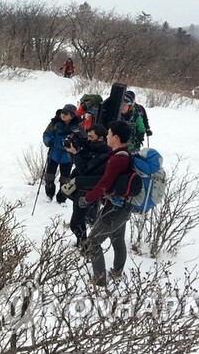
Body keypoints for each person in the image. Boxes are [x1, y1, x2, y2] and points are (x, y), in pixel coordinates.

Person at [78, 120, 135, 286]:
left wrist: (87, 199)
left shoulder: (119, 158)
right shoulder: (124, 154)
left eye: (109, 134)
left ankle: (100, 281)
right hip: (122, 205)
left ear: (115, 137)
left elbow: (105, 183)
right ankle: (117, 272)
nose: (107, 137)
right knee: (117, 240)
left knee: (93, 242)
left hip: (116, 208)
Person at [61, 125, 111, 251]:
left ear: (100, 138)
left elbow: (84, 169)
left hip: (87, 190)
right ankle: (82, 243)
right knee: (78, 220)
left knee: (76, 223)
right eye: (87, 136)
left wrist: (76, 153)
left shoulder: (104, 153)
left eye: (91, 137)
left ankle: (85, 245)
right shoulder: (91, 147)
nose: (88, 139)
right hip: (82, 187)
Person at [42, 103, 81, 200]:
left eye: (66, 113)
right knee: (49, 177)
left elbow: (82, 140)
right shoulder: (55, 123)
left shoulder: (77, 127)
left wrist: (76, 147)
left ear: (72, 115)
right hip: (53, 153)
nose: (63, 115)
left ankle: (62, 198)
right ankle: (49, 194)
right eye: (62, 112)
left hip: (68, 156)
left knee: (65, 179)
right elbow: (46, 134)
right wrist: (48, 141)